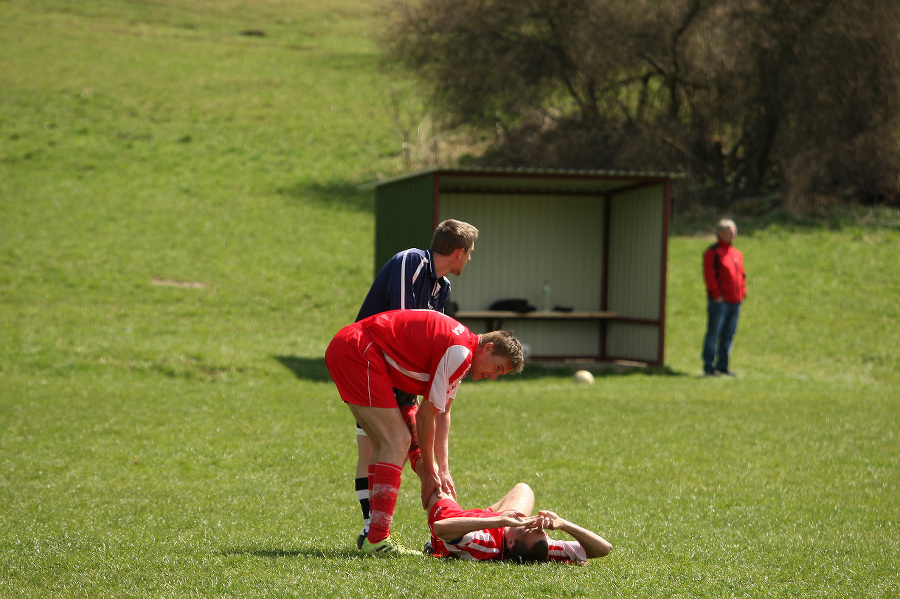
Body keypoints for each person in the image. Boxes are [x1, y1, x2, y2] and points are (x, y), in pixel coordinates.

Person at [325, 309, 524, 557]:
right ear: (488, 347)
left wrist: (443, 468)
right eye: (497, 367)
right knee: (397, 440)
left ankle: (373, 536)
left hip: (352, 348)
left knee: (383, 444)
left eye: (499, 374)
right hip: (357, 350)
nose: (493, 377)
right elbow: (426, 415)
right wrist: (429, 473)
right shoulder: (460, 352)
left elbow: (443, 414)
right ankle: (377, 538)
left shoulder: (462, 349)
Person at [352, 219, 479, 550]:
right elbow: (403, 324)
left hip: (403, 375)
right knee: (373, 446)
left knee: (393, 445)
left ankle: (430, 533)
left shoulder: (444, 288)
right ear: (458, 251)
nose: (470, 260)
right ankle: (372, 529)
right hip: (373, 361)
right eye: (471, 253)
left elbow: (428, 342)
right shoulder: (412, 260)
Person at [425, 482, 612, 564]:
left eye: (529, 527)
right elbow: (604, 548)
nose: (534, 522)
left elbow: (441, 527)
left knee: (435, 479)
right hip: (497, 522)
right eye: (540, 529)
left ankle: (409, 417)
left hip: (454, 524)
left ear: (511, 542)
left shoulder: (483, 544)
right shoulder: (543, 547)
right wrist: (564, 524)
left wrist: (496, 521)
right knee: (524, 489)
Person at [702, 218, 747, 376]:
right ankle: (709, 366)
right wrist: (716, 295)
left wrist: (743, 293)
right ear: (720, 233)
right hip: (720, 301)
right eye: (729, 231)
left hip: (736, 301)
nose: (733, 234)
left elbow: (741, 274)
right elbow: (709, 275)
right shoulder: (712, 252)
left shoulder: (736, 253)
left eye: (734, 231)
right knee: (714, 333)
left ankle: (723, 365)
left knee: (728, 334)